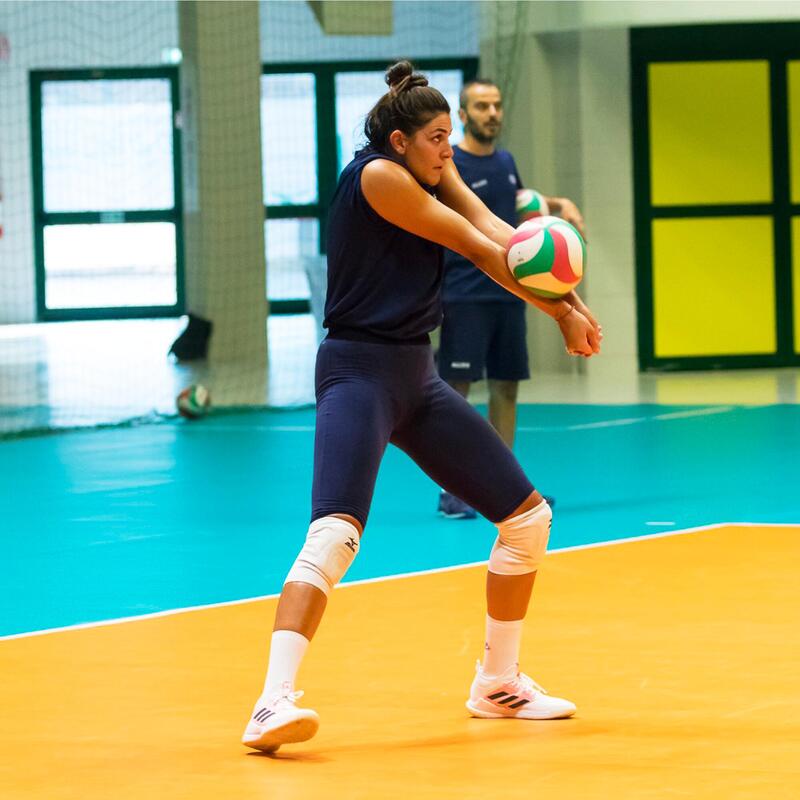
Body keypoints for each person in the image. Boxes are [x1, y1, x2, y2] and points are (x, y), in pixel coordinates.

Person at [242, 61, 601, 754]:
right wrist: (560, 315)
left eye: (449, 136)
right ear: (402, 141)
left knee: (527, 520)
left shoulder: (435, 168)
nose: (450, 147)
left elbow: (500, 230)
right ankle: (269, 704)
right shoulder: (378, 178)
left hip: (416, 375)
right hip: (359, 372)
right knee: (335, 534)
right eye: (438, 137)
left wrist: (572, 300)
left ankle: (497, 684)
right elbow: (475, 246)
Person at [437, 79, 587, 520]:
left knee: (506, 388)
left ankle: (504, 489)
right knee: (455, 395)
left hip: (510, 294)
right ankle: (454, 491)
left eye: (497, 105)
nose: (493, 113)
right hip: (463, 294)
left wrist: (557, 206)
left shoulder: (506, 162)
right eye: (482, 106)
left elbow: (518, 216)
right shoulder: (451, 164)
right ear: (463, 115)